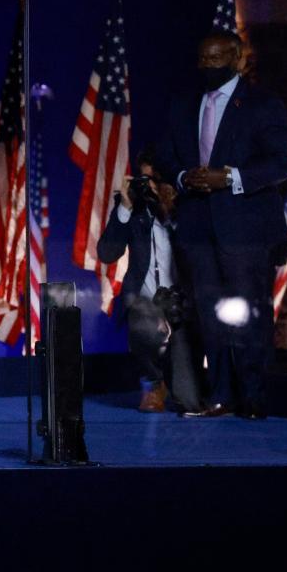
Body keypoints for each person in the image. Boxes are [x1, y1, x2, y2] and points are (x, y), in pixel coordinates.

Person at [154, 31, 287, 419]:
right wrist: (184, 178)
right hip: (198, 229)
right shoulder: (183, 105)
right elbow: (164, 155)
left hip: (247, 231)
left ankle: (253, 396)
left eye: (215, 59)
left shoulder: (262, 105)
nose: (206, 66)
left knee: (247, 315)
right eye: (202, 58)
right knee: (210, 315)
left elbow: (283, 163)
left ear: (235, 59)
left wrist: (230, 178)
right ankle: (219, 394)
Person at [96, 151, 201, 414]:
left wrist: (167, 206)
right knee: (141, 321)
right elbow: (107, 253)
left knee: (188, 401)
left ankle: (179, 385)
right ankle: (154, 384)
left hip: (180, 297)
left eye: (153, 179)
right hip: (144, 299)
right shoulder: (132, 210)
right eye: (143, 179)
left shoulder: (182, 208)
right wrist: (126, 206)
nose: (148, 185)